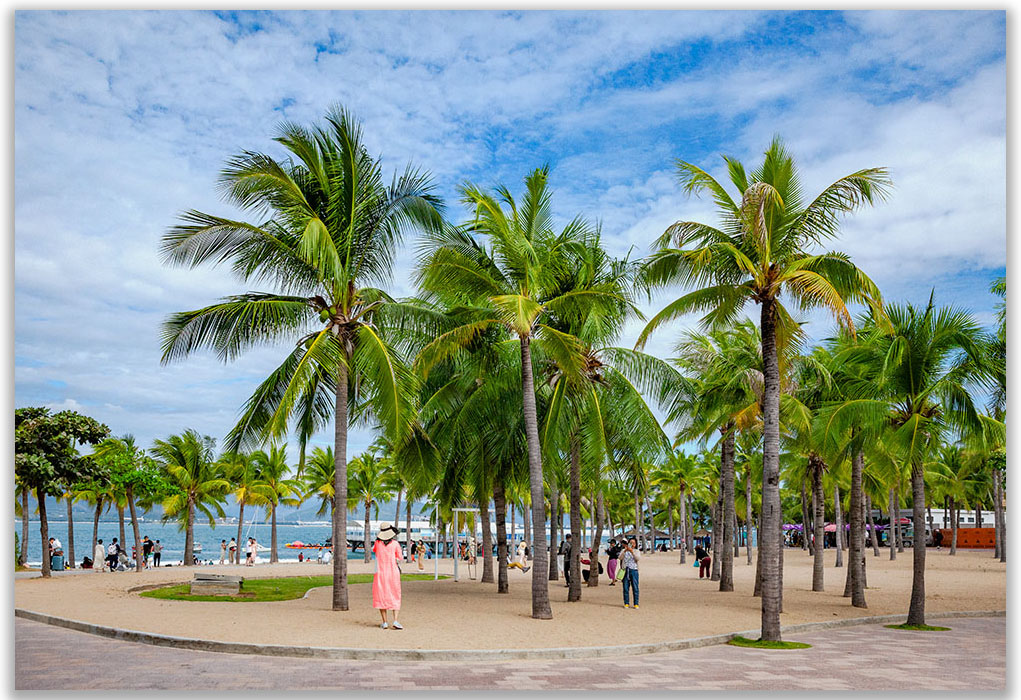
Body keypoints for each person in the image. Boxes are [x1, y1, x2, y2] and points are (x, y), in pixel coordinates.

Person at [372, 523, 403, 630]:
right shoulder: (395, 544)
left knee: (381, 595)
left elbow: (375, 552)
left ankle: (384, 622)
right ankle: (396, 620)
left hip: (380, 573)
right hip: (393, 572)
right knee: (395, 594)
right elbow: (400, 557)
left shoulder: (377, 543)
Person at [620, 537, 641, 608]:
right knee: (625, 587)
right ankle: (626, 603)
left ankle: (636, 603)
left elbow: (638, 558)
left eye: (633, 543)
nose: (632, 544)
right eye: (630, 543)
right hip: (625, 570)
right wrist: (625, 551)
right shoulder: (624, 550)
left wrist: (632, 552)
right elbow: (620, 558)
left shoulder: (636, 551)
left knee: (635, 587)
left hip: (634, 570)